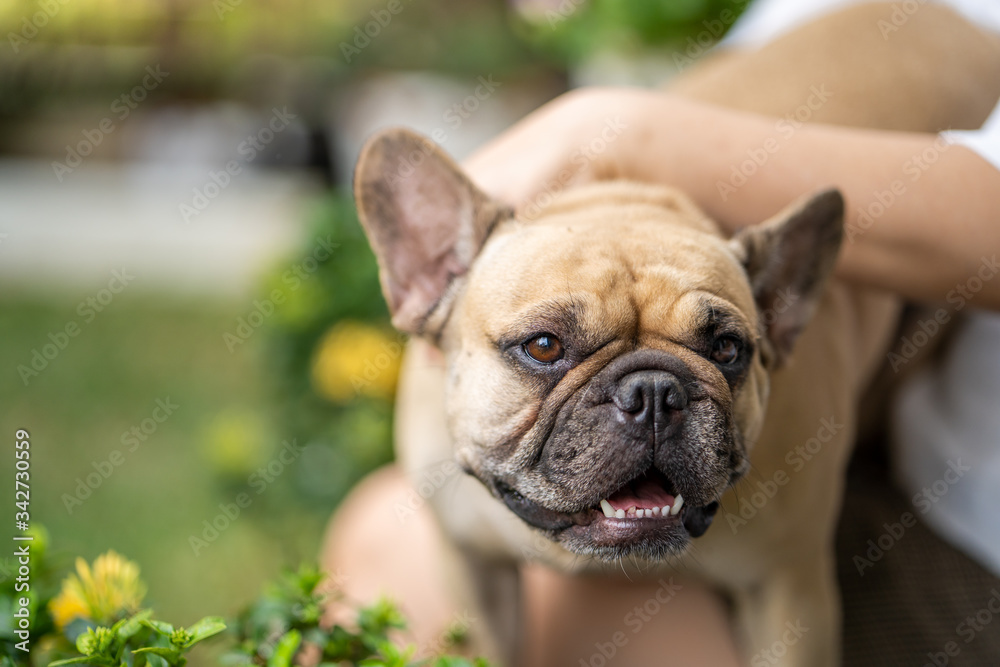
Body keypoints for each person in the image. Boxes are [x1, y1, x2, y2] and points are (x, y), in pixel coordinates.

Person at [324, 1, 1000, 664]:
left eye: (721, 349)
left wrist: (618, 129)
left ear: (778, 309)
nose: (648, 406)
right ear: (428, 278)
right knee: (386, 530)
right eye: (546, 348)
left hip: (961, 533)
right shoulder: (466, 306)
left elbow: (782, 589)